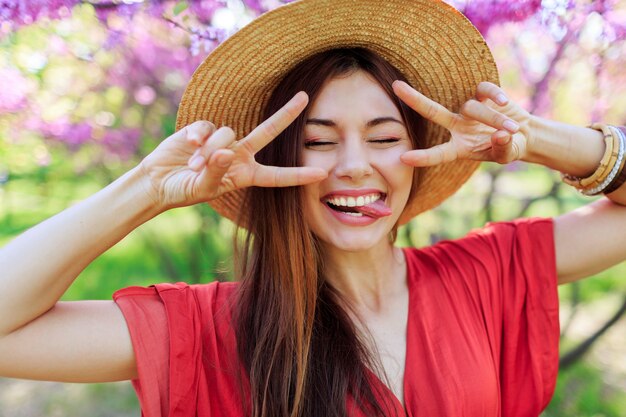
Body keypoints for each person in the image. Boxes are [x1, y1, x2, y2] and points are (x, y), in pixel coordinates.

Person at [0, 0, 625, 416]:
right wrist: (144, 190)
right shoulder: (212, 328)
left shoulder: (486, 272)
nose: (354, 165)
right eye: (319, 142)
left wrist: (531, 138)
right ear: (277, 165)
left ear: (420, 154)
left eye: (384, 138)